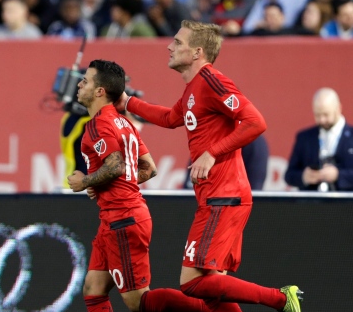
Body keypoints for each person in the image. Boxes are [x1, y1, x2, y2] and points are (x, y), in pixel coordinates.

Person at [115, 20, 303, 312]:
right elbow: (170, 119)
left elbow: (256, 122)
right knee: (214, 290)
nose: (169, 46)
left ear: (197, 52)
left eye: (178, 42)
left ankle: (281, 298)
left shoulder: (212, 81)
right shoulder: (194, 89)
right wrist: (128, 103)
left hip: (223, 197)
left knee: (191, 283)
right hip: (217, 197)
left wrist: (212, 152)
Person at [67, 59, 210, 312]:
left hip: (123, 219)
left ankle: (209, 308)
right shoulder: (125, 123)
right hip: (115, 218)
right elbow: (148, 168)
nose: (79, 84)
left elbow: (115, 166)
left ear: (100, 91)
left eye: (85, 81)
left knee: (137, 302)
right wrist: (101, 184)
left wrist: (86, 181)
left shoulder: (99, 124)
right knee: (94, 288)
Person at [284, 87, 353, 191]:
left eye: (326, 114)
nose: (321, 120)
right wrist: (304, 177)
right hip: (311, 204)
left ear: (338, 108)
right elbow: (289, 175)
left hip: (347, 204)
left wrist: (338, 175)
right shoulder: (305, 137)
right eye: (317, 115)